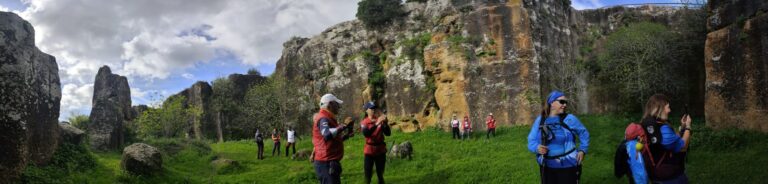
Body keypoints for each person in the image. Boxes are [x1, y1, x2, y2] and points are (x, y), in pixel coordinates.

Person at [527, 90, 590, 184]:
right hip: (546, 166)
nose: (565, 105)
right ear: (552, 102)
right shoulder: (541, 120)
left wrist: (582, 150)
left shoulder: (570, 119)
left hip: (568, 165)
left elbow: (584, 133)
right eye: (562, 102)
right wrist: (537, 148)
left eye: (566, 102)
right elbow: (531, 140)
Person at [639, 94, 692, 183]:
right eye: (667, 107)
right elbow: (682, 147)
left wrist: (682, 126)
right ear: (659, 108)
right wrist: (688, 127)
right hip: (670, 176)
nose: (669, 110)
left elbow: (672, 141)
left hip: (655, 173)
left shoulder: (647, 123)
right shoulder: (662, 128)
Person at [312, 93, 355, 184]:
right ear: (330, 104)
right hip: (326, 163)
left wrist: (346, 136)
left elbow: (330, 140)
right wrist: (344, 125)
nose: (339, 107)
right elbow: (327, 135)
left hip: (328, 162)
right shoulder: (323, 118)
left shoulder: (327, 117)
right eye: (337, 104)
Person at [360, 101, 391, 184]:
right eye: (371, 108)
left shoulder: (379, 120)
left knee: (380, 175)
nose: (373, 110)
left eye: (374, 108)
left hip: (380, 150)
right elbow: (367, 133)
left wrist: (385, 123)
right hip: (369, 152)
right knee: (368, 176)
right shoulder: (364, 122)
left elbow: (388, 133)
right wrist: (377, 123)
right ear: (366, 110)